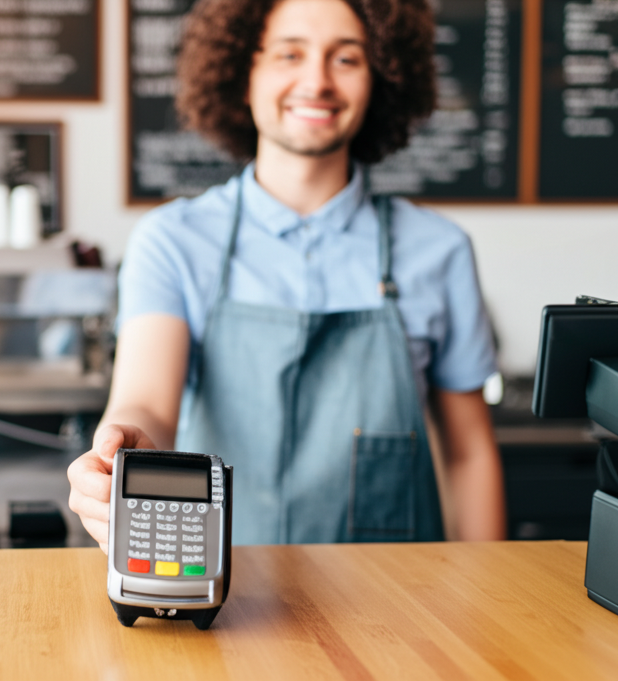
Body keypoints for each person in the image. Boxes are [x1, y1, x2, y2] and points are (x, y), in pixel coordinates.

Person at [69, 0, 507, 549]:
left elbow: (468, 453)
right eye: (289, 53)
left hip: (399, 611)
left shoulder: (440, 250)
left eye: (346, 59)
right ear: (241, 74)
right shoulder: (173, 241)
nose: (316, 81)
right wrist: (121, 448)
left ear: (382, 79)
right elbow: (149, 404)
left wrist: (489, 601)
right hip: (227, 599)